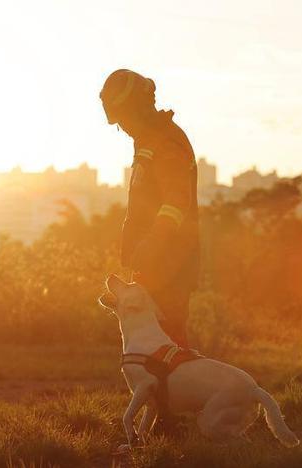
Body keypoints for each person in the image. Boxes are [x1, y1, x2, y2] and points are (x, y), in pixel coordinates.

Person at [99, 69, 199, 349]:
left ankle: (180, 394)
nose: (124, 128)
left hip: (170, 263)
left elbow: (176, 202)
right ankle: (163, 394)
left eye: (124, 119)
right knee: (150, 347)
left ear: (137, 110)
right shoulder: (148, 139)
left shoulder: (166, 142)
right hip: (153, 261)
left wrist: (152, 244)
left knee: (167, 344)